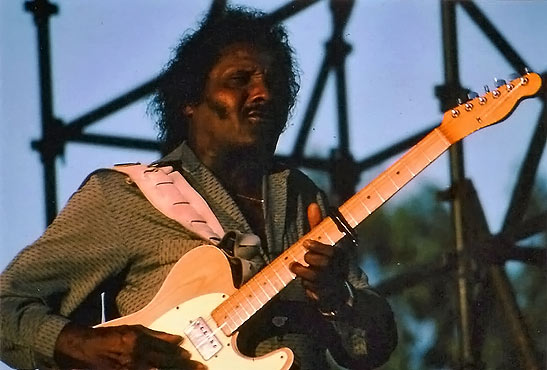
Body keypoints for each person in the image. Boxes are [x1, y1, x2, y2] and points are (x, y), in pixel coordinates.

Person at [0, 6, 397, 370]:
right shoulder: (126, 196)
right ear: (190, 100)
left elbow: (373, 347)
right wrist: (85, 345)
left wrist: (338, 299)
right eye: (240, 80)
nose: (264, 93)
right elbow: (6, 306)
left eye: (273, 83)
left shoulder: (303, 197)